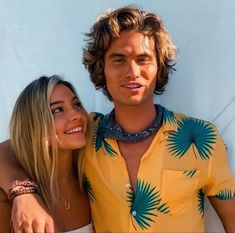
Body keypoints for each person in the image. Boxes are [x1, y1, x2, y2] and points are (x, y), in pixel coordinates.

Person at [0, 5, 235, 232]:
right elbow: (14, 146)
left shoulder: (200, 137)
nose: (132, 72)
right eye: (119, 59)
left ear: (159, 66)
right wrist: (23, 192)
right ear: (102, 68)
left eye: (143, 59)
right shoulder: (85, 133)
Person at [0, 75, 93, 232]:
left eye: (76, 105)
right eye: (57, 110)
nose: (76, 115)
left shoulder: (91, 183)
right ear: (34, 125)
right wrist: (23, 192)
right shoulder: (8, 201)